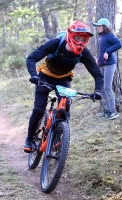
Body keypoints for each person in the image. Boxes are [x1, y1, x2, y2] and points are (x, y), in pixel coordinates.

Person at [23, 21, 104, 152]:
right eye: (77, 37)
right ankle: (29, 138)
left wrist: (97, 91)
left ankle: (58, 138)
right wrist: (34, 75)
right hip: (45, 76)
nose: (80, 42)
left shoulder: (83, 53)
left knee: (64, 109)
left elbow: (97, 74)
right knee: (38, 109)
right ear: (70, 35)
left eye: (84, 39)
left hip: (63, 79)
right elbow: (31, 58)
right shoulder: (56, 43)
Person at [93, 18, 122, 119]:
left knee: (107, 87)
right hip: (102, 65)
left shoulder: (109, 35)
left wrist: (108, 52)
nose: (97, 28)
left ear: (104, 26)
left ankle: (113, 111)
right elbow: (102, 49)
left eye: (99, 26)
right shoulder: (101, 36)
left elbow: (119, 44)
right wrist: (98, 57)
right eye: (97, 26)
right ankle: (108, 109)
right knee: (101, 88)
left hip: (109, 64)